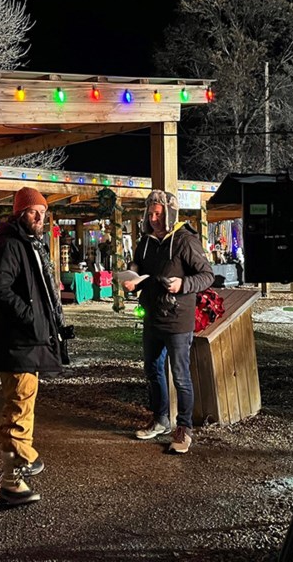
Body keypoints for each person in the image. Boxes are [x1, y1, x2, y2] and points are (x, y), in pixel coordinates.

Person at [0, 187, 69, 505]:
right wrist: (30, 317)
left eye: (43, 213)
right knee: (19, 410)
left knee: (23, 409)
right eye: (34, 212)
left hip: (29, 343)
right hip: (18, 343)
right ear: (20, 213)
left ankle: (11, 483)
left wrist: (51, 324)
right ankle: (25, 460)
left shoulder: (30, 245)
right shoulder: (11, 244)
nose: (39, 217)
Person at [123, 190, 214, 454]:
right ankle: (160, 419)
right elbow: (137, 264)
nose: (153, 219)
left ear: (170, 214)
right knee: (153, 370)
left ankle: (184, 428)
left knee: (181, 377)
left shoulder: (185, 240)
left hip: (177, 321)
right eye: (150, 214)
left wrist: (184, 283)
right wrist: (132, 276)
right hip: (152, 317)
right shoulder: (147, 241)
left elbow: (207, 275)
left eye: (158, 214)